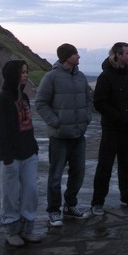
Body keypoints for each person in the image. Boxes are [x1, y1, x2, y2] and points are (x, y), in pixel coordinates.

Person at [35, 43, 91, 227]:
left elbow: (88, 100)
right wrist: (55, 121)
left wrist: (86, 118)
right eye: (75, 53)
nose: (78, 56)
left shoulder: (81, 77)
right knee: (56, 176)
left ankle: (70, 205)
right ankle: (53, 210)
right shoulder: (51, 77)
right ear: (66, 56)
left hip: (78, 135)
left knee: (78, 173)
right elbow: (41, 102)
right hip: (59, 137)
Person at [90, 42, 128, 215]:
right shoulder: (105, 77)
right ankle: (97, 202)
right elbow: (99, 102)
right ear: (118, 55)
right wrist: (117, 116)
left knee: (126, 164)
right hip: (111, 129)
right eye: (127, 53)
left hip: (127, 129)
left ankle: (126, 195)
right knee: (105, 166)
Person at [0, 60, 41, 247]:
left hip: (29, 152)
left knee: (30, 191)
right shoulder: (3, 99)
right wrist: (6, 156)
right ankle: (11, 229)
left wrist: (34, 148)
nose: (26, 75)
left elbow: (28, 125)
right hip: (10, 156)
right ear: (13, 74)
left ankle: (27, 227)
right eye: (22, 72)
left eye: (26, 72)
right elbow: (1, 130)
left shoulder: (25, 98)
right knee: (10, 194)